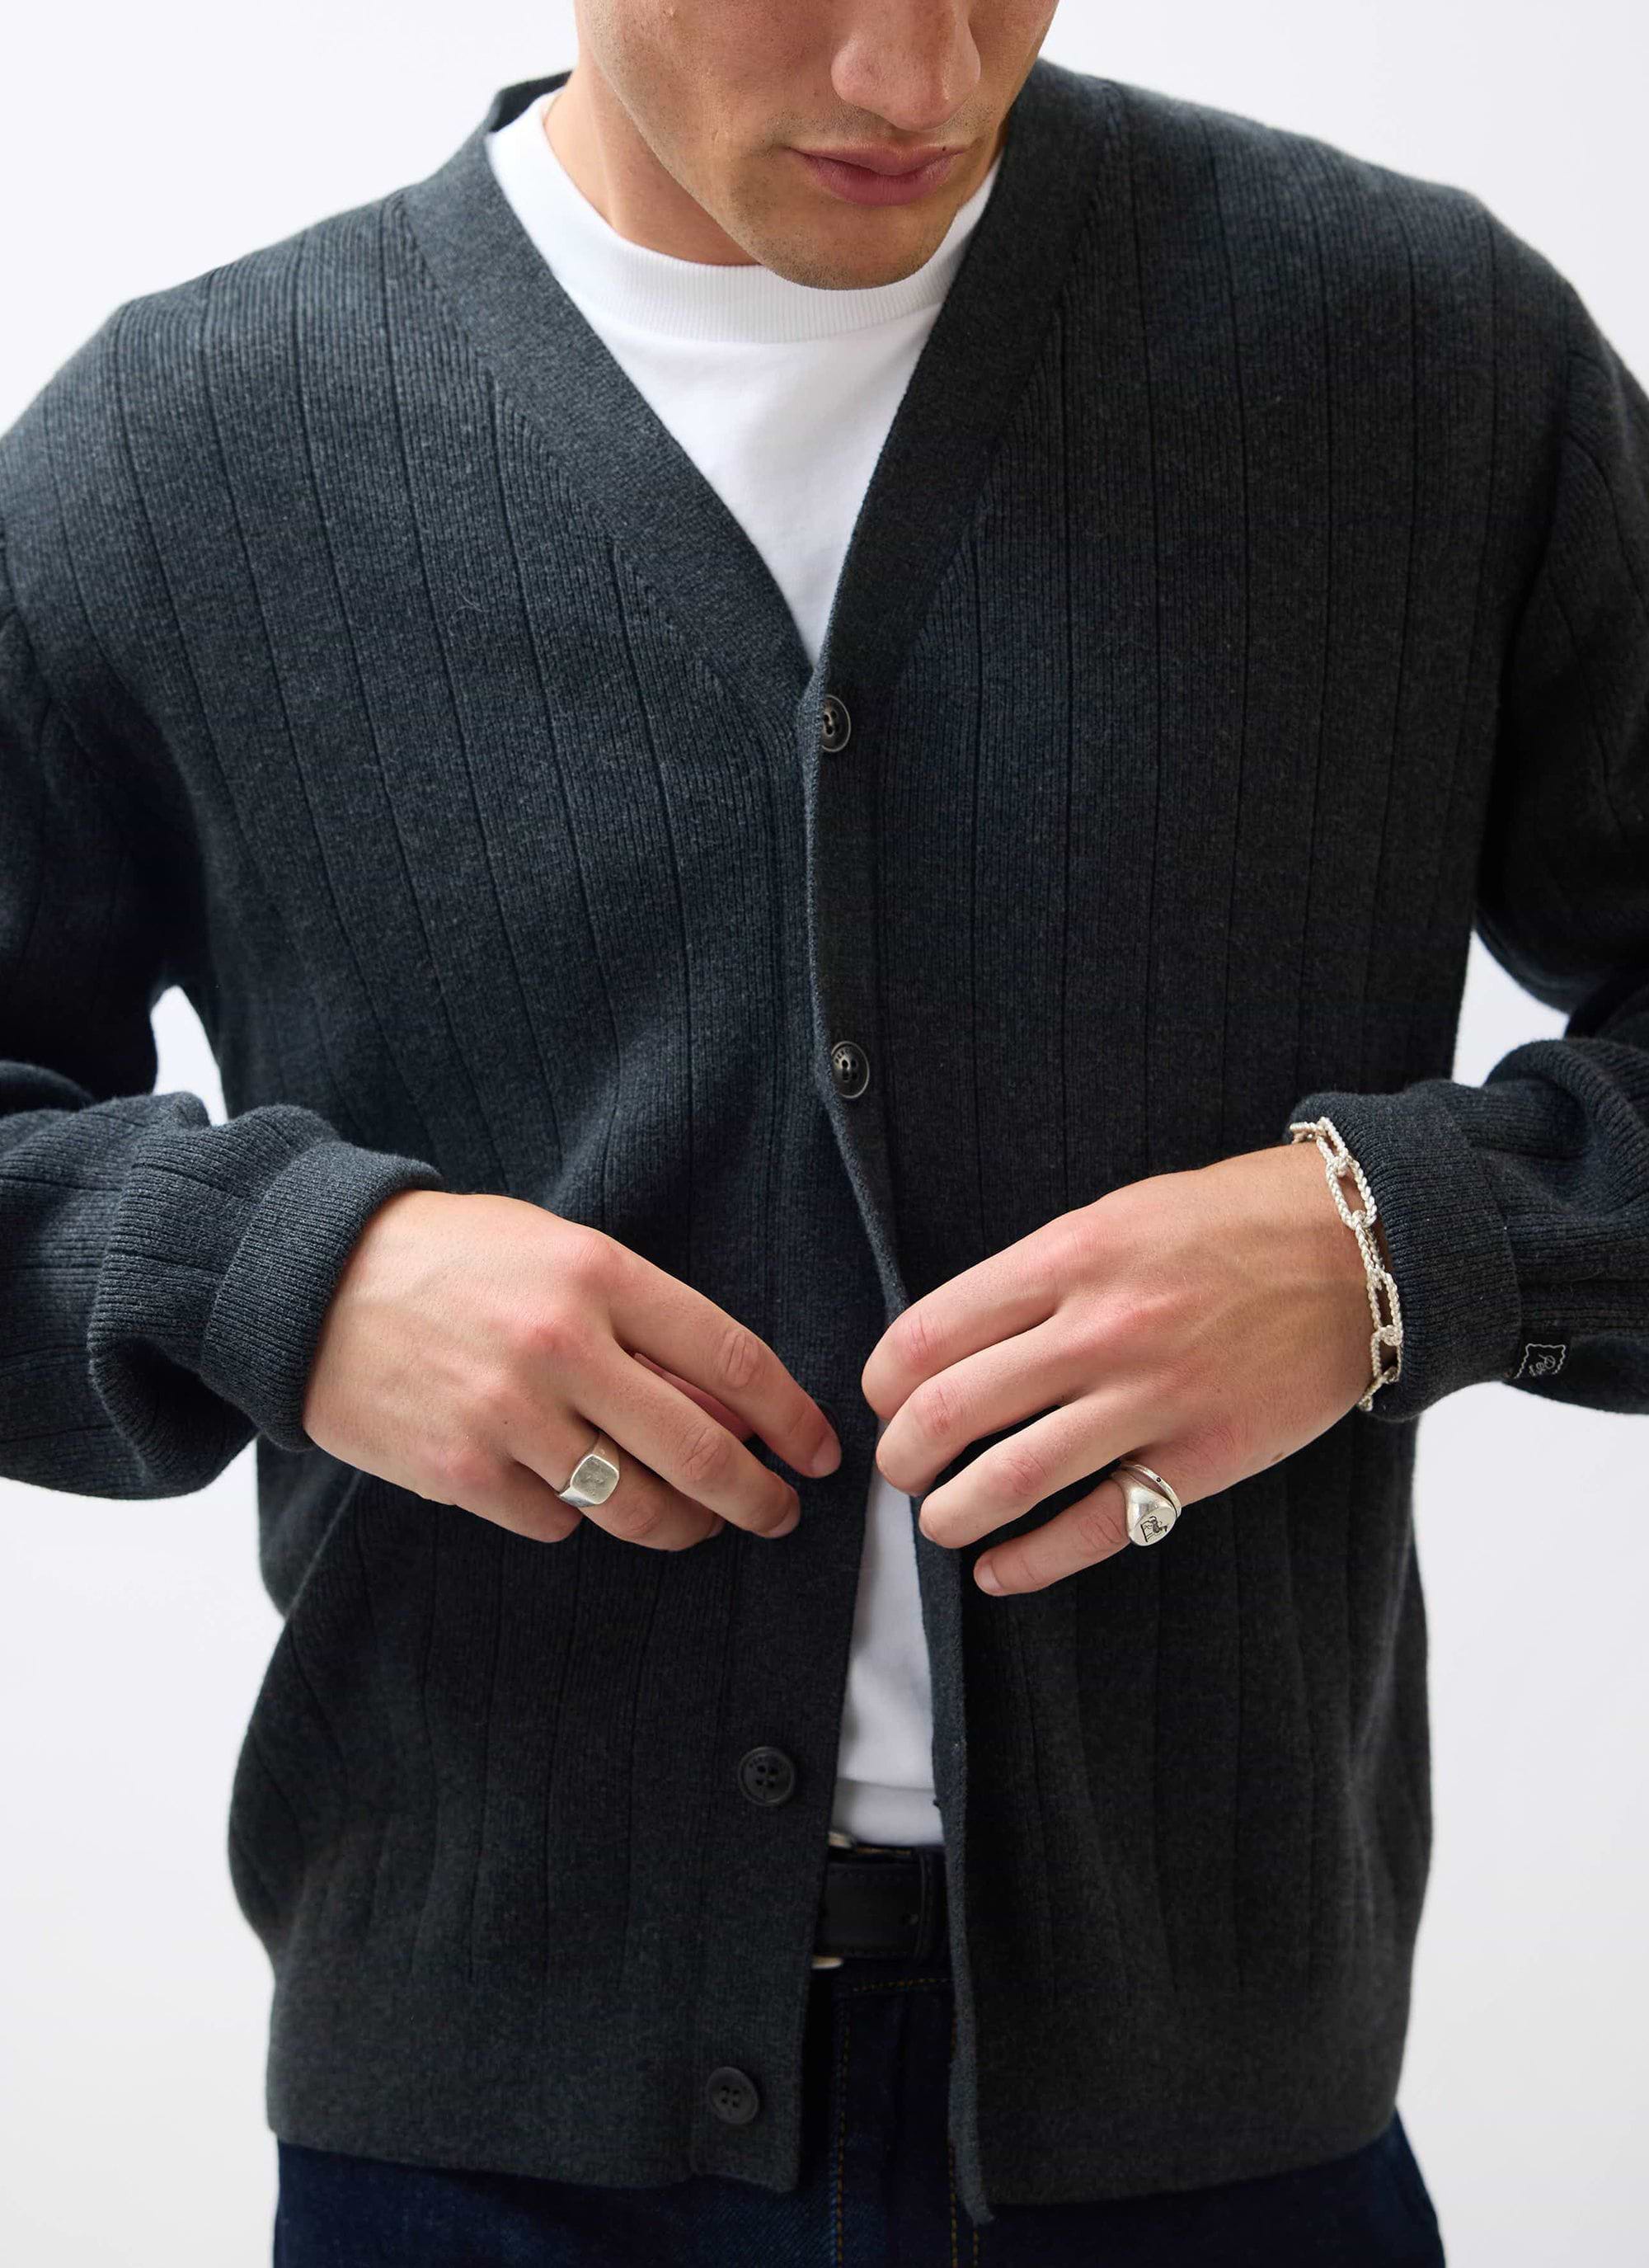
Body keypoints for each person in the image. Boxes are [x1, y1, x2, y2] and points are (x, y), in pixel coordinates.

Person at [3, 3, 1646, 2261]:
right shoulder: (183, 447)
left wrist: (1397, 1245)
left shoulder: (1424, 362)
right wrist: (281, 1274)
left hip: (1219, 2138)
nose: (914, 79)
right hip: (477, 2152)